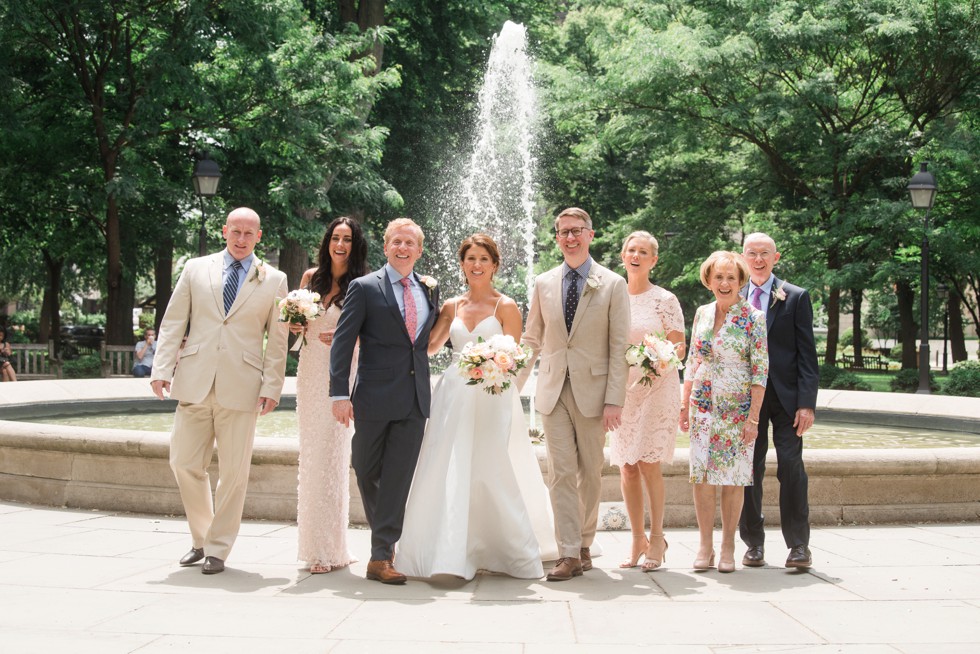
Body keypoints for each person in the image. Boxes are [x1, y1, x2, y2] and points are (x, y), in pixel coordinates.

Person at [397, 234, 557, 581]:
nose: (477, 265)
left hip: (492, 393)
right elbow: (428, 346)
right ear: (462, 264)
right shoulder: (451, 306)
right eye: (470, 258)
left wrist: (491, 364)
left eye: (484, 258)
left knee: (491, 465)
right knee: (447, 464)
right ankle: (451, 545)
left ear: (495, 265)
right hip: (454, 393)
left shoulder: (507, 307)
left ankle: (501, 545)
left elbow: (517, 357)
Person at [151, 207, 289, 575]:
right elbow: (173, 321)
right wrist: (161, 368)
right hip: (194, 379)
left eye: (249, 233)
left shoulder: (274, 279)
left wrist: (273, 386)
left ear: (259, 237)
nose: (241, 239)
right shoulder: (196, 268)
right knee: (182, 462)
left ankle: (218, 549)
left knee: (234, 473)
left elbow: (277, 340)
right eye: (236, 231)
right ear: (225, 231)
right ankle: (201, 537)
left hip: (242, 385)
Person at [519, 207, 630, 581]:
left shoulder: (613, 283)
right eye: (563, 232)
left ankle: (584, 542)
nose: (570, 237)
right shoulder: (543, 282)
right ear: (557, 238)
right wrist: (510, 387)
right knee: (560, 472)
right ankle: (568, 552)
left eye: (577, 231)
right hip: (552, 390)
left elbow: (619, 348)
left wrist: (615, 399)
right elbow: (532, 338)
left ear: (591, 235)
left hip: (594, 393)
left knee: (591, 474)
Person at [330, 217, 439, 585]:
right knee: (365, 467)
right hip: (373, 397)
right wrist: (340, 394)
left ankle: (381, 556)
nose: (403, 248)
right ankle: (386, 539)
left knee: (398, 477)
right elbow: (343, 343)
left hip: (414, 398)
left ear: (419, 250)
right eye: (397, 242)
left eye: (410, 243)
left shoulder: (429, 289)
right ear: (386, 246)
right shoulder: (363, 287)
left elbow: (423, 343)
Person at [679, 250, 768, 573]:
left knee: (733, 479)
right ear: (709, 280)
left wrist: (754, 418)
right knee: (700, 478)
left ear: (742, 281)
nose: (725, 282)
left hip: (737, 408)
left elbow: (760, 372)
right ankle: (705, 546)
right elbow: (693, 360)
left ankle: (728, 545)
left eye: (731, 277)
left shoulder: (753, 318)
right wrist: (683, 403)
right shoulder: (702, 313)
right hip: (702, 404)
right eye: (719, 276)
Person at [290, 217, 368, 574]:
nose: (340, 244)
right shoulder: (310, 279)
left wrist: (346, 337)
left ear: (356, 244)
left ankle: (330, 549)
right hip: (309, 371)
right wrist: (295, 325)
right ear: (327, 242)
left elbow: (371, 335)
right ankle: (316, 547)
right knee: (311, 457)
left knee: (332, 457)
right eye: (335, 238)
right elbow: (298, 329)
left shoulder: (363, 284)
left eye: (347, 239)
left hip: (341, 374)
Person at [738, 232, 819, 569]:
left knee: (791, 466)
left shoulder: (796, 297)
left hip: (787, 399)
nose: (758, 259)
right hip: (745, 400)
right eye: (752, 253)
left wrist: (807, 404)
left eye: (765, 254)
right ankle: (753, 544)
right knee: (749, 470)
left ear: (776, 257)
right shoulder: (733, 295)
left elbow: (807, 355)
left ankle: (799, 546)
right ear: (742, 256)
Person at [611, 231, 685, 572]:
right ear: (623, 257)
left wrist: (656, 358)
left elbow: (678, 346)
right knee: (626, 466)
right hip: (623, 392)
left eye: (643, 252)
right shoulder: (613, 296)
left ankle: (658, 537)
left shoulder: (664, 300)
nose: (636, 255)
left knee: (648, 463)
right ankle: (637, 538)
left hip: (657, 388)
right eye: (631, 250)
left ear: (653, 260)